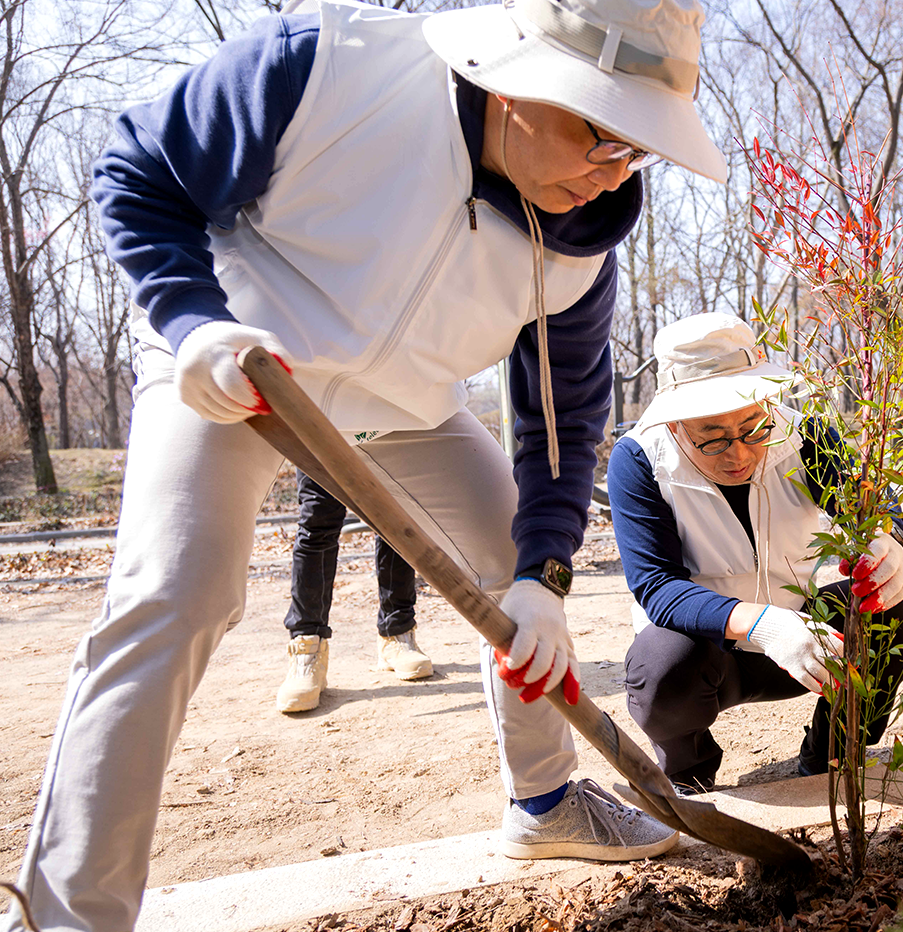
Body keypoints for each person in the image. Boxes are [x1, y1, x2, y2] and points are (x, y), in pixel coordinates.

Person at [6, 0, 727, 928]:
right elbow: (140, 169)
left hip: (409, 412)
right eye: (601, 131)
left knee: (513, 563)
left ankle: (544, 805)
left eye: (637, 147)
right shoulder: (326, 67)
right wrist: (190, 320)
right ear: (518, 78)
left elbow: (561, 424)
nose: (613, 170)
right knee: (178, 593)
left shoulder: (580, 245)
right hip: (242, 369)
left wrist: (541, 576)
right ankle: (68, 912)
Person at [607, 314, 903, 795]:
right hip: (705, 649)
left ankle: (833, 753)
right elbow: (658, 587)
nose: (738, 454)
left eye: (753, 427)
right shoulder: (639, 460)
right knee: (661, 666)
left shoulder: (804, 436)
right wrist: (765, 625)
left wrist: (887, 542)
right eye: (711, 436)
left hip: (805, 636)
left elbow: (870, 508)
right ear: (674, 423)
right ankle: (687, 772)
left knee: (897, 614)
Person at [276, 470, 430, 714]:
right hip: (318, 432)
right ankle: (306, 648)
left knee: (396, 516)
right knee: (317, 519)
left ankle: (396, 632)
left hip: (382, 433)